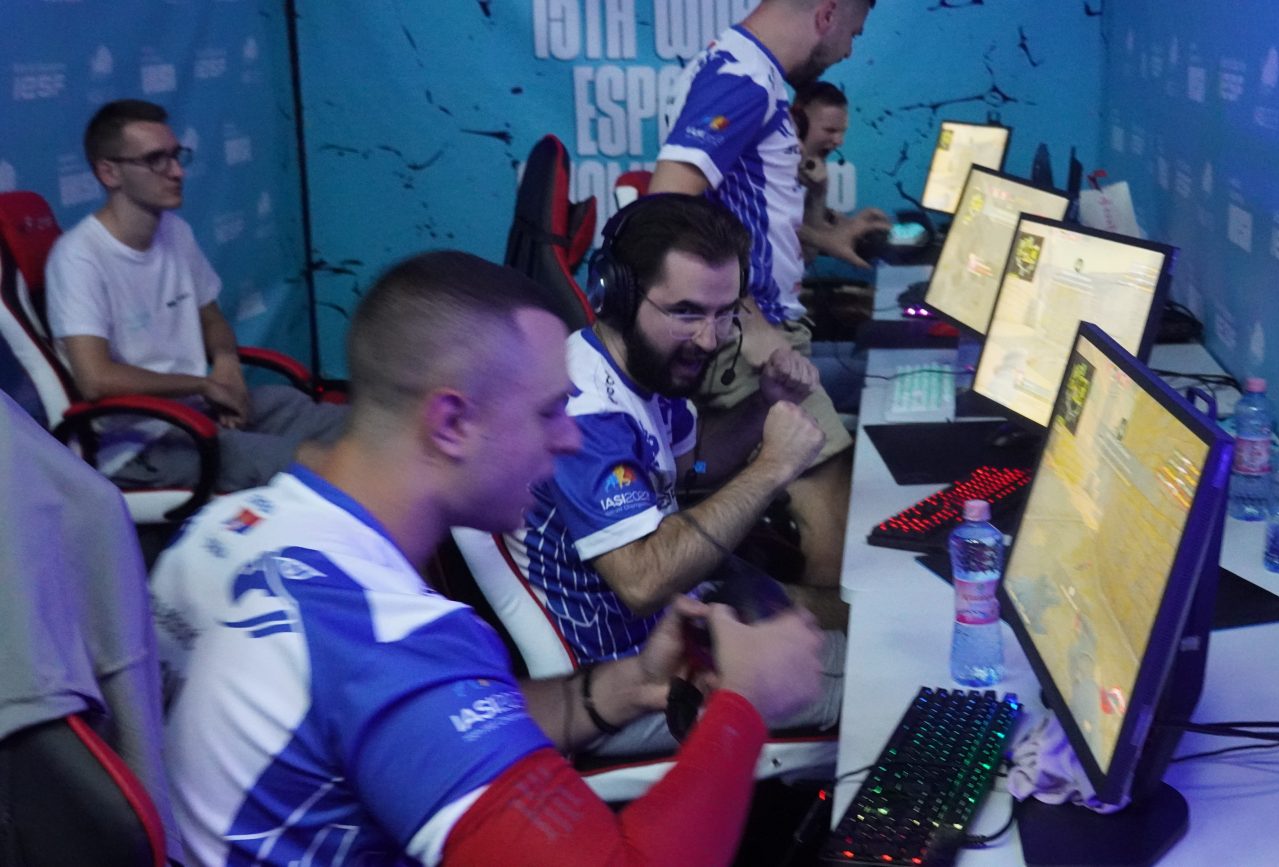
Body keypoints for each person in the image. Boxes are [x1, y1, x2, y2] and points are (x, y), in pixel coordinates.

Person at [149, 250, 827, 866]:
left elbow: (404, 737)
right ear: (451, 423)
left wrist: (625, 685)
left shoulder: (228, 529)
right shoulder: (387, 639)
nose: (570, 439)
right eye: (549, 412)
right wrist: (744, 706)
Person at [511, 194, 843, 755]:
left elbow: (692, 468)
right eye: (687, 313)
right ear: (615, 296)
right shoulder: (586, 414)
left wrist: (765, 403)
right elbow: (642, 582)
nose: (711, 340)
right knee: (878, 682)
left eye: (724, 312)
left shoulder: (646, 370)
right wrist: (773, 467)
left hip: (689, 629)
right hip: (629, 686)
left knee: (860, 618)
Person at [651, 0, 877, 590]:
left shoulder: (747, 71)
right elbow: (666, 208)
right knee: (833, 530)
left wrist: (825, 237)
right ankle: (806, 646)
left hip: (760, 328)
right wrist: (747, 320)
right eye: (853, 33)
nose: (849, 50)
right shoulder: (744, 78)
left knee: (832, 511)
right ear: (827, 14)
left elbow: (739, 211)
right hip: (749, 341)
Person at [45, 98, 344, 493]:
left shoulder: (176, 232)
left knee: (323, 416)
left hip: (198, 411)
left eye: (176, 155)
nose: (177, 171)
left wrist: (225, 363)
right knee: (311, 463)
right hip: (141, 444)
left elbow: (211, 318)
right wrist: (202, 385)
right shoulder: (78, 257)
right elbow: (96, 380)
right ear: (109, 172)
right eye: (156, 160)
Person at [792, 81, 891, 269]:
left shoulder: (808, 168)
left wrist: (844, 224)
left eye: (842, 131)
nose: (839, 141)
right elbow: (805, 255)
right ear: (797, 123)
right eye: (830, 130)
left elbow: (807, 228)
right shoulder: (765, 170)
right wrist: (826, 240)